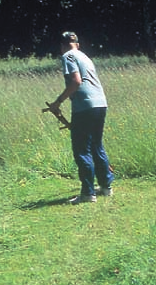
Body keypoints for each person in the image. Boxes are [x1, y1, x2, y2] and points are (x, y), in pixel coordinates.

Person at [48, 31, 114, 204]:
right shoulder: (84, 56)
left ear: (62, 46)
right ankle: (106, 187)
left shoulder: (67, 57)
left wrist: (58, 102)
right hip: (100, 103)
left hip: (84, 106)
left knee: (82, 149)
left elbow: (76, 81)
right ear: (77, 44)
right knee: (96, 145)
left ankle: (87, 194)